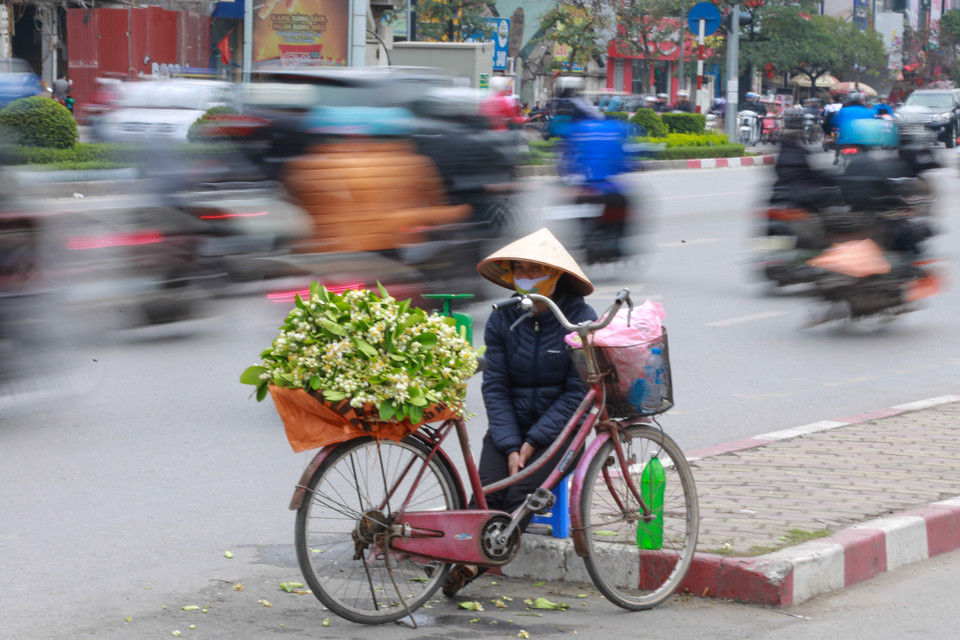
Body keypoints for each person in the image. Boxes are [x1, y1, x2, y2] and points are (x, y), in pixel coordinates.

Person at [442, 228, 597, 597]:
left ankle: (472, 562)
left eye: (536, 269)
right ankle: (449, 555)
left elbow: (578, 392)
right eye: (520, 269)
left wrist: (533, 441)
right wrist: (511, 443)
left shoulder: (579, 318)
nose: (527, 276)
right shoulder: (501, 319)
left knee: (520, 500)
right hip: (508, 427)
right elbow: (495, 386)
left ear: (557, 274)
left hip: (559, 430)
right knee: (486, 497)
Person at [833, 91, 875, 164]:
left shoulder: (844, 108)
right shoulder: (866, 110)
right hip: (861, 135)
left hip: (846, 135)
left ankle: (836, 157)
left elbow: (835, 121)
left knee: (839, 140)